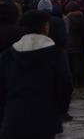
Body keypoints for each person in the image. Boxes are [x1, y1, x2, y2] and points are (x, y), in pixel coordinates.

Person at [0, 9, 73, 139]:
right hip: (45, 117)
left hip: (14, 116)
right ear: (45, 27)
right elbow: (65, 86)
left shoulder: (7, 55)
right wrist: (60, 111)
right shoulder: (56, 54)